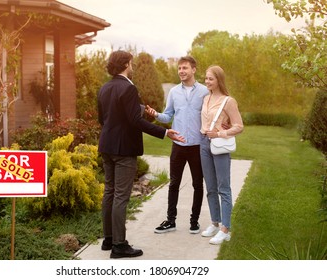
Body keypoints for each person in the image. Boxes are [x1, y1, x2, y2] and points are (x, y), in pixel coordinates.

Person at [97, 50, 185, 258]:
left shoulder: (105, 87)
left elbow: (104, 119)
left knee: (109, 192)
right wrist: (164, 132)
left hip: (106, 146)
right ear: (127, 64)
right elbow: (134, 121)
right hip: (124, 149)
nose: (133, 66)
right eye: (132, 63)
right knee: (120, 195)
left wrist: (139, 109)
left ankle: (108, 239)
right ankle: (119, 245)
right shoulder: (128, 87)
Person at [145, 56, 209, 234]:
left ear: (193, 69)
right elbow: (168, 116)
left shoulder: (204, 92)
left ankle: (194, 221)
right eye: (179, 68)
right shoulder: (174, 92)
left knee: (198, 184)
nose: (181, 71)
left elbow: (211, 115)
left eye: (185, 68)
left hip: (197, 146)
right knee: (174, 183)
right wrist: (156, 114)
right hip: (178, 146)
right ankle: (170, 221)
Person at [200, 65, 244, 245]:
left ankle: (225, 229)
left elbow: (239, 126)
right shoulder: (205, 99)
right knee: (210, 187)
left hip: (219, 145)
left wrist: (220, 134)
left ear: (219, 80)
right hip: (204, 144)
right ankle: (215, 223)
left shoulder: (228, 101)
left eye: (210, 79)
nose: (207, 81)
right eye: (206, 78)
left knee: (223, 188)